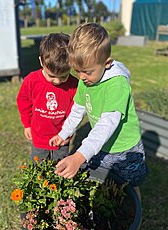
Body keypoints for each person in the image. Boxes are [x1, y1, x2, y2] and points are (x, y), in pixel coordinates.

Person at [49, 23, 148, 188]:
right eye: (77, 71)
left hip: (126, 148)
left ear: (107, 63)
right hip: (102, 146)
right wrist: (64, 133)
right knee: (103, 185)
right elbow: (77, 110)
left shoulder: (117, 85)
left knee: (130, 185)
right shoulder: (85, 81)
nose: (81, 77)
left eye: (87, 71)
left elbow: (107, 122)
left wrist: (80, 155)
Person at [17, 33, 78, 161]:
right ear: (41, 61)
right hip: (38, 136)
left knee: (60, 167)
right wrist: (27, 124)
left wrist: (67, 134)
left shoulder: (74, 86)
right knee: (38, 167)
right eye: (51, 76)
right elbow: (23, 101)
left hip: (62, 137)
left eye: (63, 76)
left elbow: (75, 112)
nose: (57, 81)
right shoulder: (31, 81)